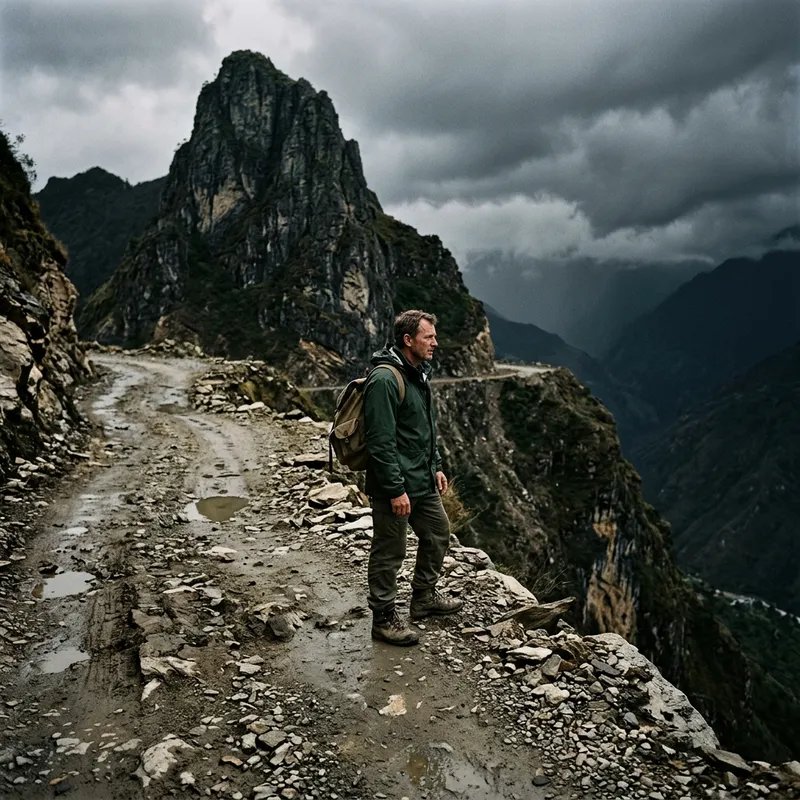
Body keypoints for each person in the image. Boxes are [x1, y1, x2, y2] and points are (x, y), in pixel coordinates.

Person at [363, 309, 464, 646]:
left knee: (438, 533)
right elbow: (380, 442)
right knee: (390, 550)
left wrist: (435, 464)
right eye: (428, 337)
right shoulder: (384, 380)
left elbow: (422, 431)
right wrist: (394, 490)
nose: (435, 342)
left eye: (434, 336)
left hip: (421, 478)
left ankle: (423, 598)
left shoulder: (418, 374)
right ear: (408, 340)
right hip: (395, 485)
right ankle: (383, 618)